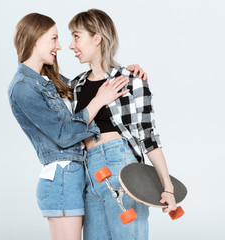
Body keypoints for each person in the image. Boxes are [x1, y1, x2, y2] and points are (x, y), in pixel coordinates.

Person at [8, 13, 146, 240]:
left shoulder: (50, 80)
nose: (60, 46)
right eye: (53, 39)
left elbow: (87, 90)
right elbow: (63, 134)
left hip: (81, 176)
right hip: (62, 180)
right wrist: (99, 100)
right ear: (36, 38)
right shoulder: (23, 87)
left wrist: (123, 72)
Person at [68, 9, 177, 240]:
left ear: (96, 38)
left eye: (76, 36)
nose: (71, 45)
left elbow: (149, 136)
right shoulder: (76, 85)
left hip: (121, 168)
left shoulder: (131, 80)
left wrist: (168, 187)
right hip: (89, 174)